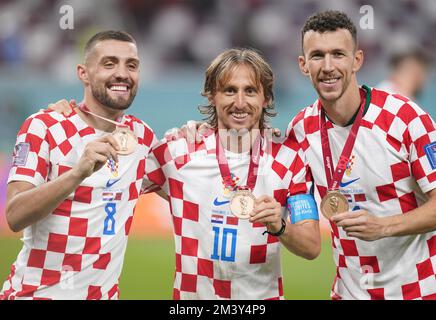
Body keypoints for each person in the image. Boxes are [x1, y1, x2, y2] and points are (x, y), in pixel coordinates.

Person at [144, 48, 320, 299]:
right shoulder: (179, 151)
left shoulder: (290, 158)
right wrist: (73, 116)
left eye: (250, 91)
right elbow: (114, 183)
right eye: (229, 90)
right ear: (212, 96)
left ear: (266, 98)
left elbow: (312, 246)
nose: (239, 103)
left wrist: (280, 226)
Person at [287, 10, 436, 300]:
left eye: (338, 54)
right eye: (317, 56)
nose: (328, 66)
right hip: (349, 293)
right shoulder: (301, 131)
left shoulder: (405, 118)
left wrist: (383, 227)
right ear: (304, 65)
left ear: (357, 60)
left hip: (420, 291)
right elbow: (306, 236)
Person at [0, 31, 158, 300]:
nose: (122, 73)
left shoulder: (141, 138)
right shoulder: (45, 126)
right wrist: (77, 174)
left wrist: (194, 133)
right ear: (83, 73)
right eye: (109, 64)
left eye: (131, 65)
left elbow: (190, 183)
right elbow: (15, 215)